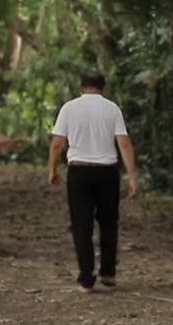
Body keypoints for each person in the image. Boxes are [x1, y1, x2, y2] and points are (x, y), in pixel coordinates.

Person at [48, 70, 138, 293]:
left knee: (82, 225)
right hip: (107, 172)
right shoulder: (112, 108)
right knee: (108, 221)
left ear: (81, 86)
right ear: (102, 87)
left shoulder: (69, 108)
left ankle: (86, 277)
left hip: (79, 172)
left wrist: (52, 169)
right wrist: (132, 176)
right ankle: (108, 272)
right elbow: (124, 143)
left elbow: (57, 143)